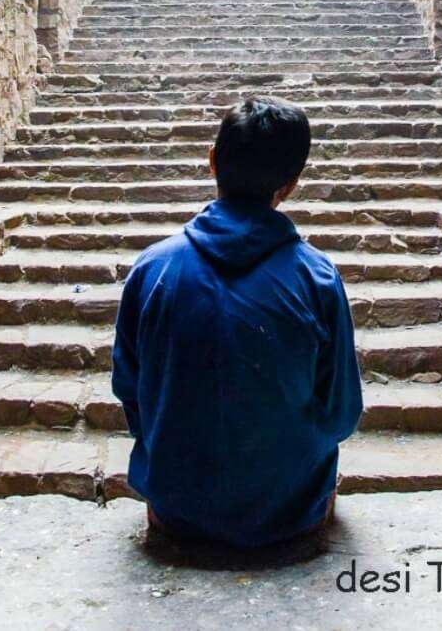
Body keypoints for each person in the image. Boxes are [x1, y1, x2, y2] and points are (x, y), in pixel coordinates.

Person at [112, 98, 363, 549]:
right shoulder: (318, 278)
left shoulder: (152, 271)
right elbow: (342, 412)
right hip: (291, 511)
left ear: (212, 161)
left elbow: (130, 390)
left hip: (176, 509)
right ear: (290, 184)